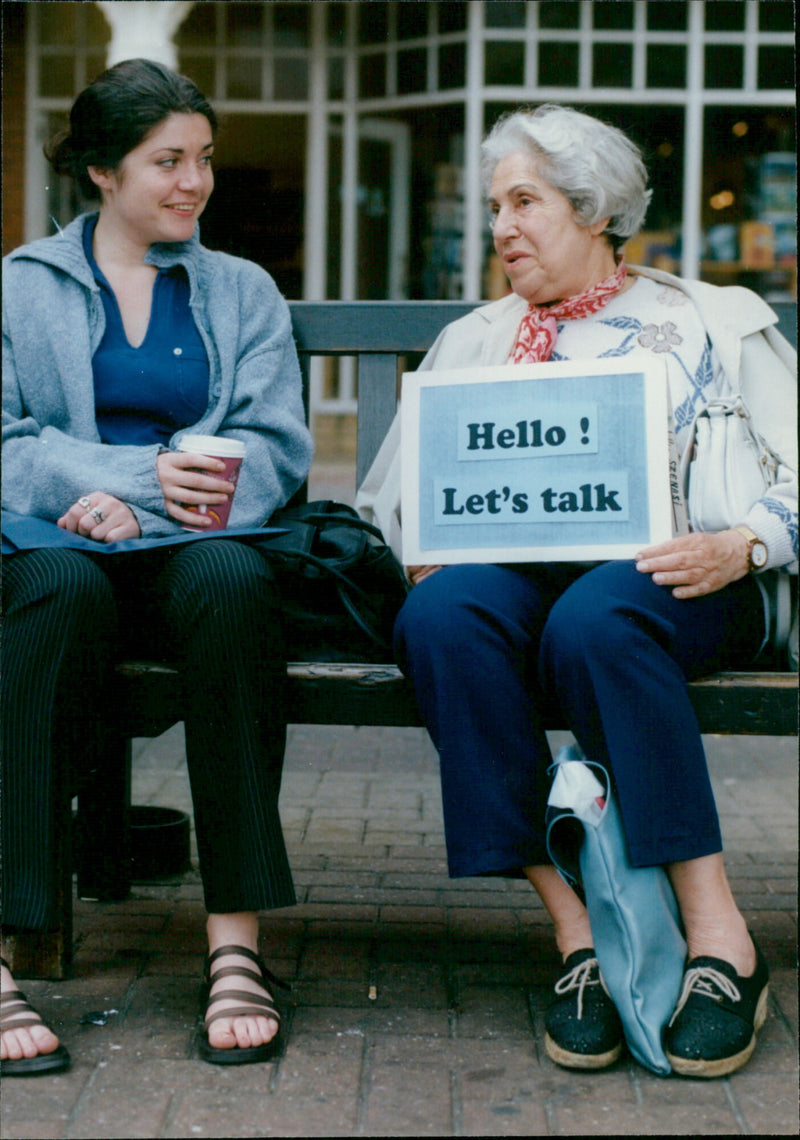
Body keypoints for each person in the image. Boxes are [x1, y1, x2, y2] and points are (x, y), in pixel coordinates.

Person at [357, 104, 797, 1078]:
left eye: (525, 202)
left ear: (592, 208)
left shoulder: (707, 323)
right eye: (494, 206)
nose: (501, 226)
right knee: (439, 617)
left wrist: (743, 544)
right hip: (524, 584)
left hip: (684, 580)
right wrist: (421, 549)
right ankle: (579, 939)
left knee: (597, 620)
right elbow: (391, 498)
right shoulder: (476, 339)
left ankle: (719, 938)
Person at [1, 59, 313, 1075]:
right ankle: (5, 946)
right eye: (166, 161)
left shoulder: (242, 290)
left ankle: (236, 944)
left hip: (197, 554)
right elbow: (6, 442)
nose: (194, 182)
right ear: (100, 169)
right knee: (54, 589)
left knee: (233, 583)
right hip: (60, 547)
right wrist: (115, 488)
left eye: (204, 159)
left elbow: (272, 448)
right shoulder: (21, 286)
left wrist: (145, 505)